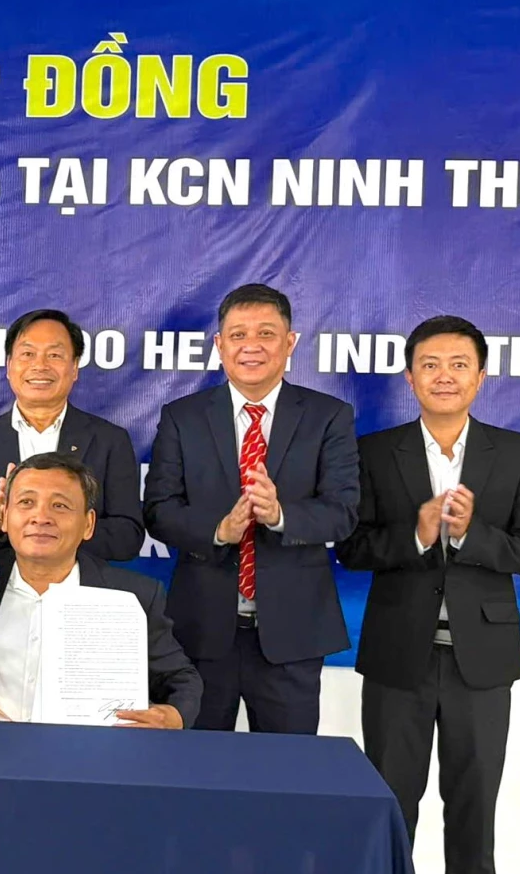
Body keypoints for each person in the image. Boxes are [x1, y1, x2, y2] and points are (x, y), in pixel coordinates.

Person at [338, 315, 520, 874]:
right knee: (392, 802)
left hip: (480, 660)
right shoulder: (377, 452)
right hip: (399, 653)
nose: (445, 375)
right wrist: (418, 530)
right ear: (410, 376)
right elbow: (353, 547)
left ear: (481, 375)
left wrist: (471, 532)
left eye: (459, 363)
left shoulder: (516, 452)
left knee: (472, 799)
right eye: (430, 364)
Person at [143, 282, 359, 733]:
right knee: (196, 775)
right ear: (220, 345)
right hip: (201, 632)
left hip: (292, 634)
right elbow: (159, 510)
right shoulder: (182, 417)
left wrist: (281, 515)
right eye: (238, 335)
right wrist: (219, 530)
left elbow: (343, 511)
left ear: (290, 342)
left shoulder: (328, 416)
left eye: (266, 333)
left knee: (286, 779)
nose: (251, 347)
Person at [0, 453, 200, 728]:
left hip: (86, 765)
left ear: (88, 524)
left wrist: (173, 716)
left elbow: (181, 679)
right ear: (5, 516)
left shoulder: (132, 596)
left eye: (60, 506)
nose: (41, 517)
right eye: (26, 502)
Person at [0, 308, 144, 560]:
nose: (39, 365)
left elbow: (128, 537)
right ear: (9, 366)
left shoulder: (109, 441)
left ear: (74, 369)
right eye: (27, 354)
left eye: (55, 355)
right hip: (0, 592)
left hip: (80, 591)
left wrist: (61, 530)